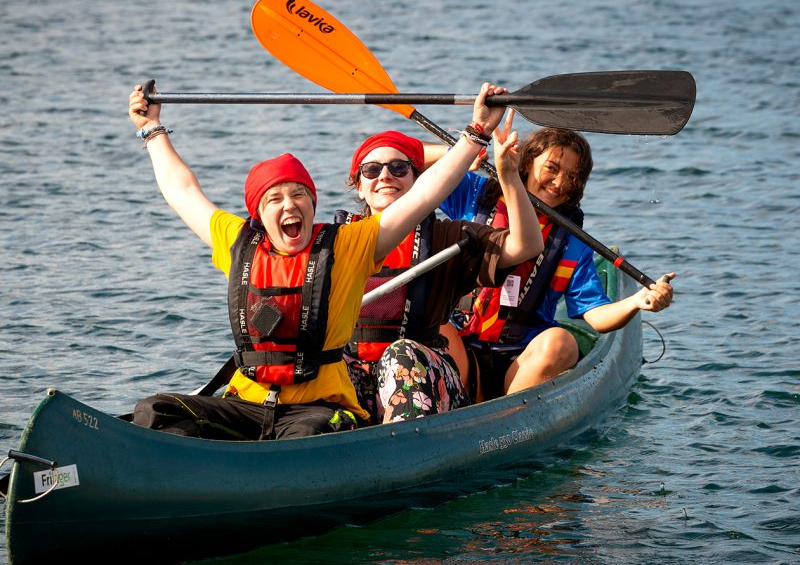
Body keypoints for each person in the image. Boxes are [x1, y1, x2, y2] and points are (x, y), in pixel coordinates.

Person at [126, 81, 509, 440]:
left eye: (298, 195)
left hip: (318, 410)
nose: (289, 205)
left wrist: (475, 134)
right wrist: (152, 129)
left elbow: (423, 195)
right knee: (154, 411)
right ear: (258, 215)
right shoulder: (237, 241)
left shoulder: (348, 244)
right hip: (248, 403)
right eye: (275, 199)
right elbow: (182, 191)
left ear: (313, 203)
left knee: (305, 436)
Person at [438, 112, 675, 401]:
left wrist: (637, 302)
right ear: (525, 163)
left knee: (562, 342)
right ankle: (456, 406)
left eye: (572, 177)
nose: (560, 182)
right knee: (432, 323)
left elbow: (595, 315)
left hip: (522, 360)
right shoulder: (476, 195)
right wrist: (469, 148)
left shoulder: (572, 241)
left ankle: (505, 421)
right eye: (551, 167)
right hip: (460, 346)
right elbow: (413, 168)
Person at [337, 127, 543, 423]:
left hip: (424, 379)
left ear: (417, 178)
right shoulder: (339, 240)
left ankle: (402, 451)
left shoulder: (447, 237)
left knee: (402, 355)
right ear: (359, 186)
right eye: (371, 170)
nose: (385, 176)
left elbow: (526, 246)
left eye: (399, 167)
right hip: (356, 374)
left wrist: (509, 177)